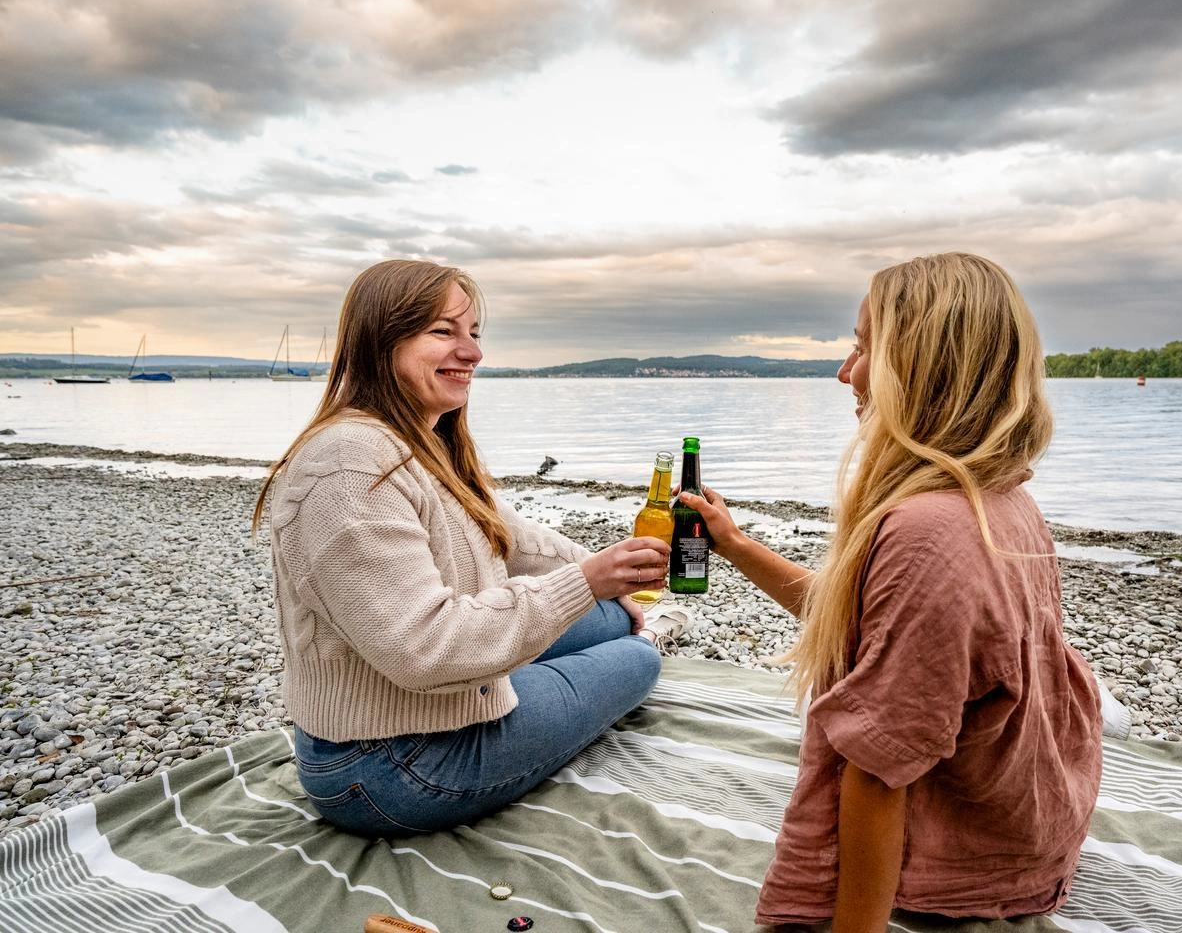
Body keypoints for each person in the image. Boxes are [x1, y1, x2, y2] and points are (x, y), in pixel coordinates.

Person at [679, 252, 1105, 930]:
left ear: (925, 367)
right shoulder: (994, 494)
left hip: (967, 862)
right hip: (1029, 821)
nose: (844, 372)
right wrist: (733, 545)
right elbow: (855, 620)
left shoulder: (930, 531)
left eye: (863, 348)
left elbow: (881, 767)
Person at [252, 258, 689, 838]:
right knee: (638, 657)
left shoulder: (418, 443)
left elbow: (508, 536)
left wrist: (604, 571)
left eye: (474, 333)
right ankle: (648, 640)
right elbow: (424, 649)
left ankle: (609, 631)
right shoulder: (350, 464)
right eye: (443, 332)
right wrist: (583, 584)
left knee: (611, 615)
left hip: (429, 707)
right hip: (389, 764)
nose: (473, 353)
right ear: (381, 342)